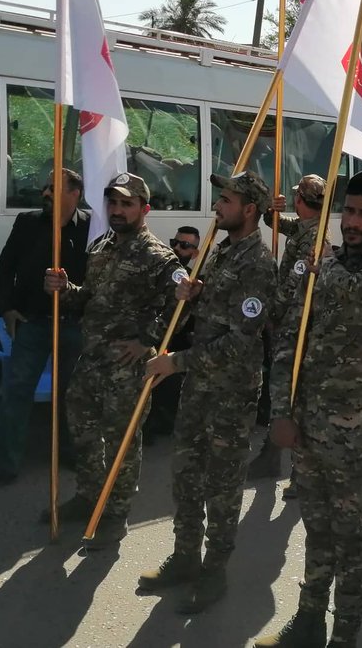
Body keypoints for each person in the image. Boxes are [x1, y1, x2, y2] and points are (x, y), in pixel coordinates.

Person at [256, 171, 362, 648]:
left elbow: (361, 290)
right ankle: (307, 621)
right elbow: (287, 342)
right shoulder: (319, 263)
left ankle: (345, 636)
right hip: (305, 424)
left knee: (349, 539)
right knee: (316, 530)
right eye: (350, 211)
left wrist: (320, 267)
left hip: (351, 432)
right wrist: (281, 412)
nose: (354, 221)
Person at [138, 172, 278, 613]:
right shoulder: (223, 251)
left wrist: (175, 362)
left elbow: (241, 341)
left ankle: (214, 571)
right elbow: (214, 313)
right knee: (187, 475)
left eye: (226, 200)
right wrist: (195, 294)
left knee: (222, 485)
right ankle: (184, 557)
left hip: (230, 393)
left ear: (249, 210)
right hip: (200, 388)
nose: (217, 206)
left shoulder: (257, 263)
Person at [42, 172, 181, 549]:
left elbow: (178, 308)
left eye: (127, 204)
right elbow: (90, 298)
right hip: (93, 359)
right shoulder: (100, 246)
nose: (117, 210)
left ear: (144, 209)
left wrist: (146, 340)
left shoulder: (158, 257)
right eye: (113, 203)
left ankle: (115, 513)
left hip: (127, 366)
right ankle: (88, 496)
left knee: (122, 441)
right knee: (83, 431)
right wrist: (64, 289)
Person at [0, 170, 91, 492]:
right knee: (14, 393)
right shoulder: (27, 223)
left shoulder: (94, 227)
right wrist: (6, 308)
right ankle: (2, 466)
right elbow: (4, 267)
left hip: (75, 326)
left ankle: (70, 453)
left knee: (74, 396)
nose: (46, 193)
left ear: (75, 193)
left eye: (54, 188)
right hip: (33, 323)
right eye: (45, 188)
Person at [249, 173, 327, 485]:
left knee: (290, 392)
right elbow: (278, 224)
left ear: (300, 201)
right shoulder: (308, 229)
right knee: (285, 392)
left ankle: (297, 469)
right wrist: (271, 208)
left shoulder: (313, 240)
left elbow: (294, 284)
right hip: (292, 323)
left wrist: (272, 314)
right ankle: (279, 458)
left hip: (295, 324)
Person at [145, 226, 198, 441]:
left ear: (194, 253)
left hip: (181, 351)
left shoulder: (196, 281)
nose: (177, 248)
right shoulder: (160, 273)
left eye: (184, 246)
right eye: (174, 243)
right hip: (156, 341)